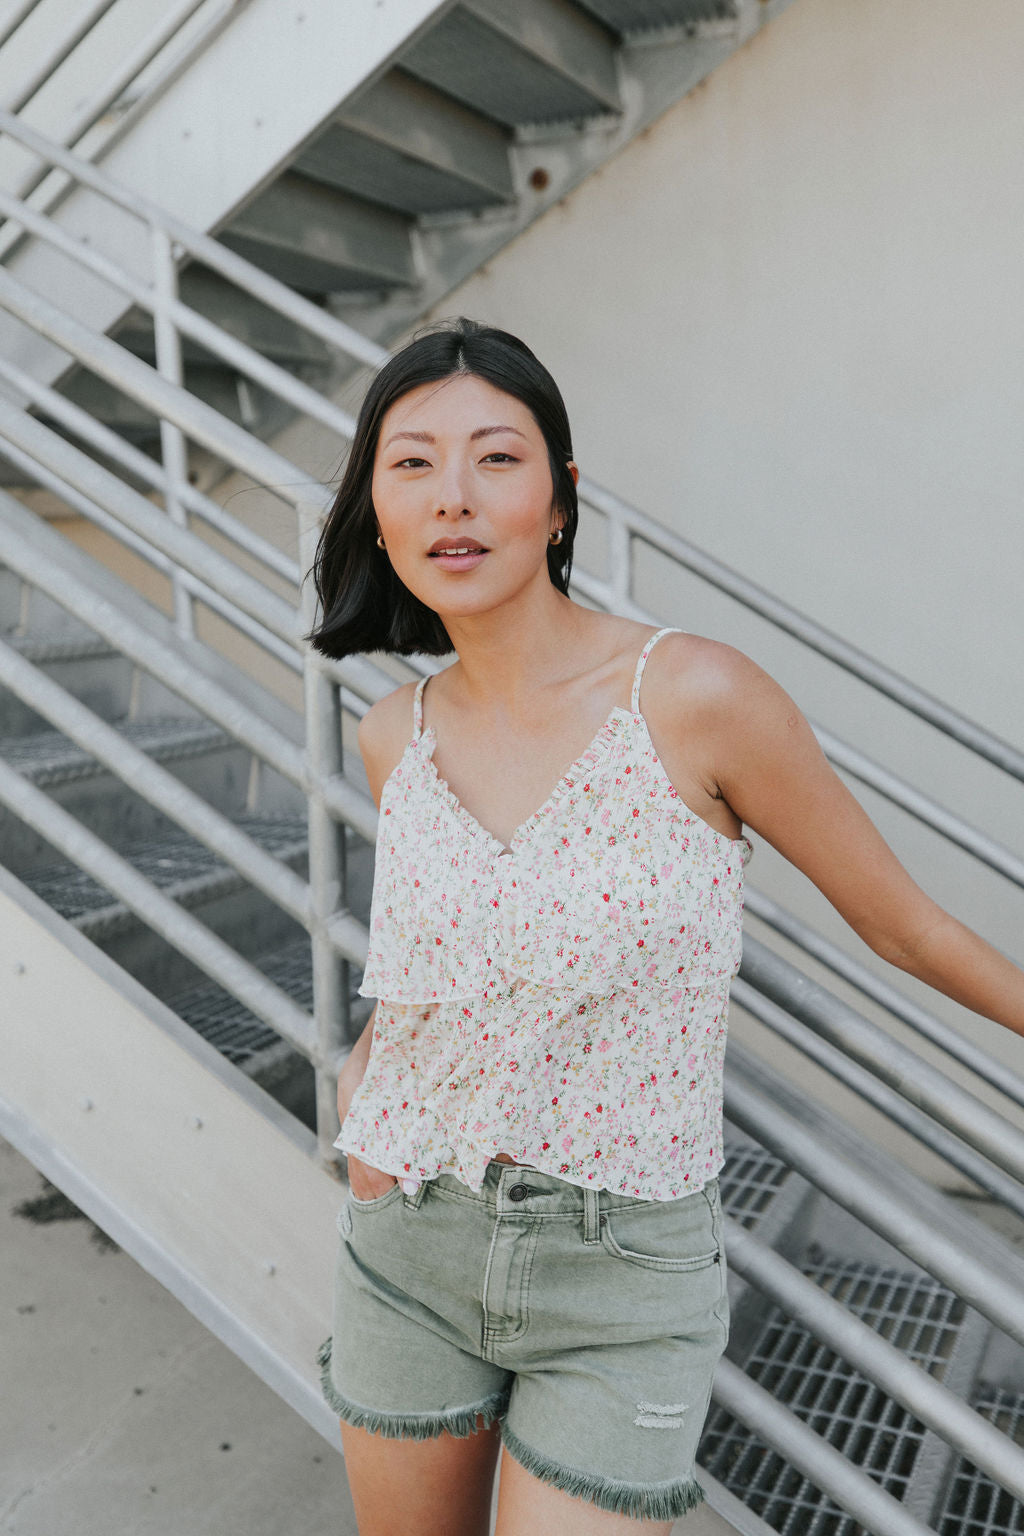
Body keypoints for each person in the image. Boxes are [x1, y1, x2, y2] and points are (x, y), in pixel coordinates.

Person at [308, 317, 1023, 1536]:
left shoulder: (694, 698)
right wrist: (359, 1086)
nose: (454, 498)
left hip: (624, 1268)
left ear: (561, 498)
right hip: (412, 1238)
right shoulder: (395, 733)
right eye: (411, 463)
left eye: (497, 457)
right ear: (376, 509)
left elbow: (904, 930)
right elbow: (434, 978)